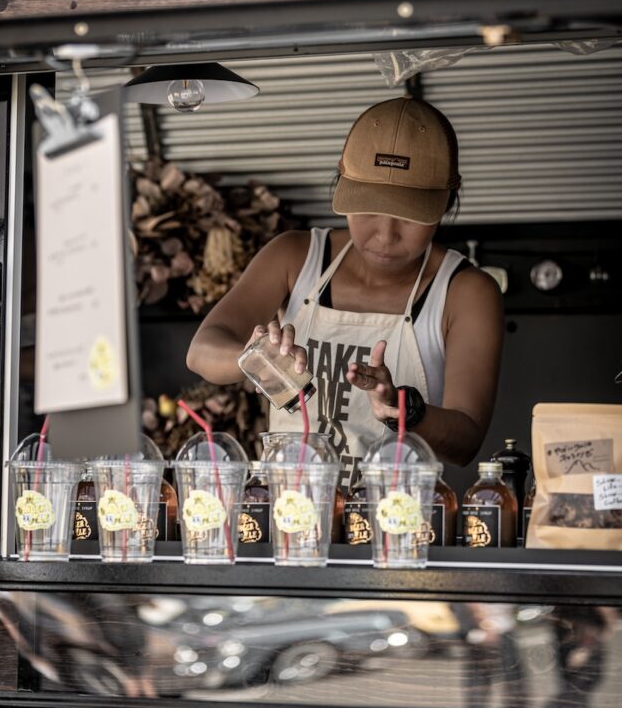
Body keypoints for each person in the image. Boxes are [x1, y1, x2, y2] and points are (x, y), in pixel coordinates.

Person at [187, 97, 503, 486]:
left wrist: (403, 410)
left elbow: (466, 442)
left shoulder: (465, 291)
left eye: (409, 216)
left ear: (446, 203)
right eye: (368, 209)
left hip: (399, 514)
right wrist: (257, 358)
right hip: (291, 507)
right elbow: (201, 351)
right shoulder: (295, 257)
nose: (385, 235)